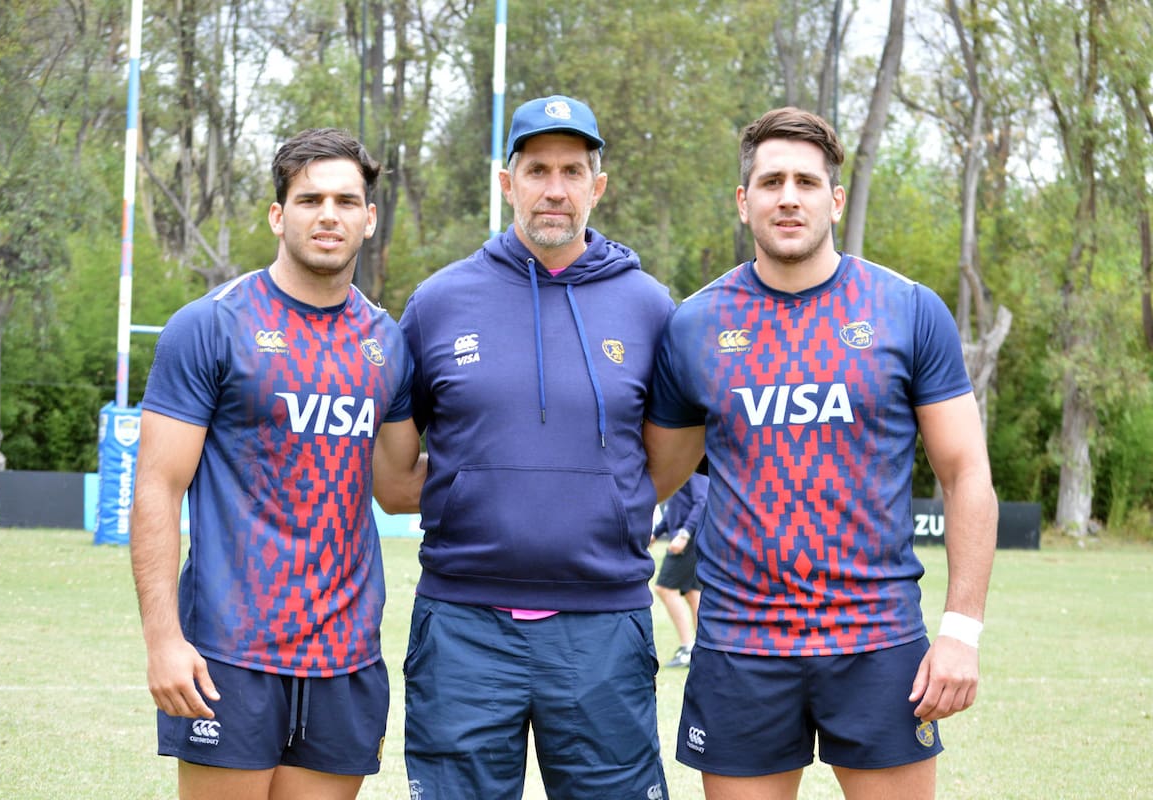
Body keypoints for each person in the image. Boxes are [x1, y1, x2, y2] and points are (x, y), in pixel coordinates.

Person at [642, 107, 998, 800]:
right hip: (741, 643)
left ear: (834, 200)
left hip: (877, 639)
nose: (788, 197)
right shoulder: (695, 326)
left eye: (806, 182)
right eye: (771, 181)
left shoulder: (908, 309)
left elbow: (965, 474)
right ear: (743, 201)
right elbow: (655, 476)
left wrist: (960, 632)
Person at [374, 95, 676, 799]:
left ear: (598, 186)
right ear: (507, 182)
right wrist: (485, 486)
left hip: (603, 624)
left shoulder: (649, 306)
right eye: (537, 170)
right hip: (464, 627)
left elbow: (663, 461)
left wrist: (596, 494)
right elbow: (393, 478)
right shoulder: (439, 303)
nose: (555, 189)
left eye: (573, 171)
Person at [129, 128, 422, 800]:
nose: (328, 215)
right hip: (229, 650)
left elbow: (399, 487)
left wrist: (529, 464)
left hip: (346, 655)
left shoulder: (387, 343)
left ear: (369, 218)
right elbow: (157, 488)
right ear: (277, 214)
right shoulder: (210, 325)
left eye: (346, 201)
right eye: (309, 199)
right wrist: (162, 640)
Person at [651, 472, 708, 668]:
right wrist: (656, 533)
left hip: (688, 541)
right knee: (693, 594)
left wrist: (684, 534)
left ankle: (687, 648)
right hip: (687, 538)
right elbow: (673, 510)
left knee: (664, 589)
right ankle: (702, 648)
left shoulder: (694, 469)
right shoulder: (679, 468)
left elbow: (702, 501)